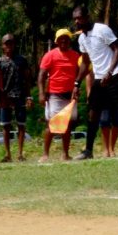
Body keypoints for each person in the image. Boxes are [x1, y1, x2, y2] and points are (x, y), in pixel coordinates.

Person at [73, 6, 118, 160]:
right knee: (93, 114)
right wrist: (77, 83)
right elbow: (85, 63)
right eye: (75, 19)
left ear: (87, 16)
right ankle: (89, 151)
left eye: (79, 18)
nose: (77, 21)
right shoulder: (82, 39)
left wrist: (110, 72)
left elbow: (117, 50)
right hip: (99, 79)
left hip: (114, 76)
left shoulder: (102, 29)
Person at [38, 28, 79, 161]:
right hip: (55, 94)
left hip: (70, 95)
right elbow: (42, 75)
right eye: (61, 39)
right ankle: (45, 154)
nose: (64, 41)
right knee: (52, 125)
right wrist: (41, 93)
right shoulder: (50, 55)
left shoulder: (75, 56)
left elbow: (81, 72)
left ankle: (65, 154)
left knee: (67, 126)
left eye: (66, 39)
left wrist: (77, 88)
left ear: (69, 41)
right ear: (56, 41)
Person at [0, 34, 33, 162]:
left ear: (14, 44)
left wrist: (29, 96)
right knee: (6, 126)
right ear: (2, 45)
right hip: (5, 97)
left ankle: (20, 153)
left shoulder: (22, 60)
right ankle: (7, 154)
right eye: (6, 43)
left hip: (20, 96)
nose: (9, 46)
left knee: (21, 125)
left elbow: (27, 79)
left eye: (11, 43)